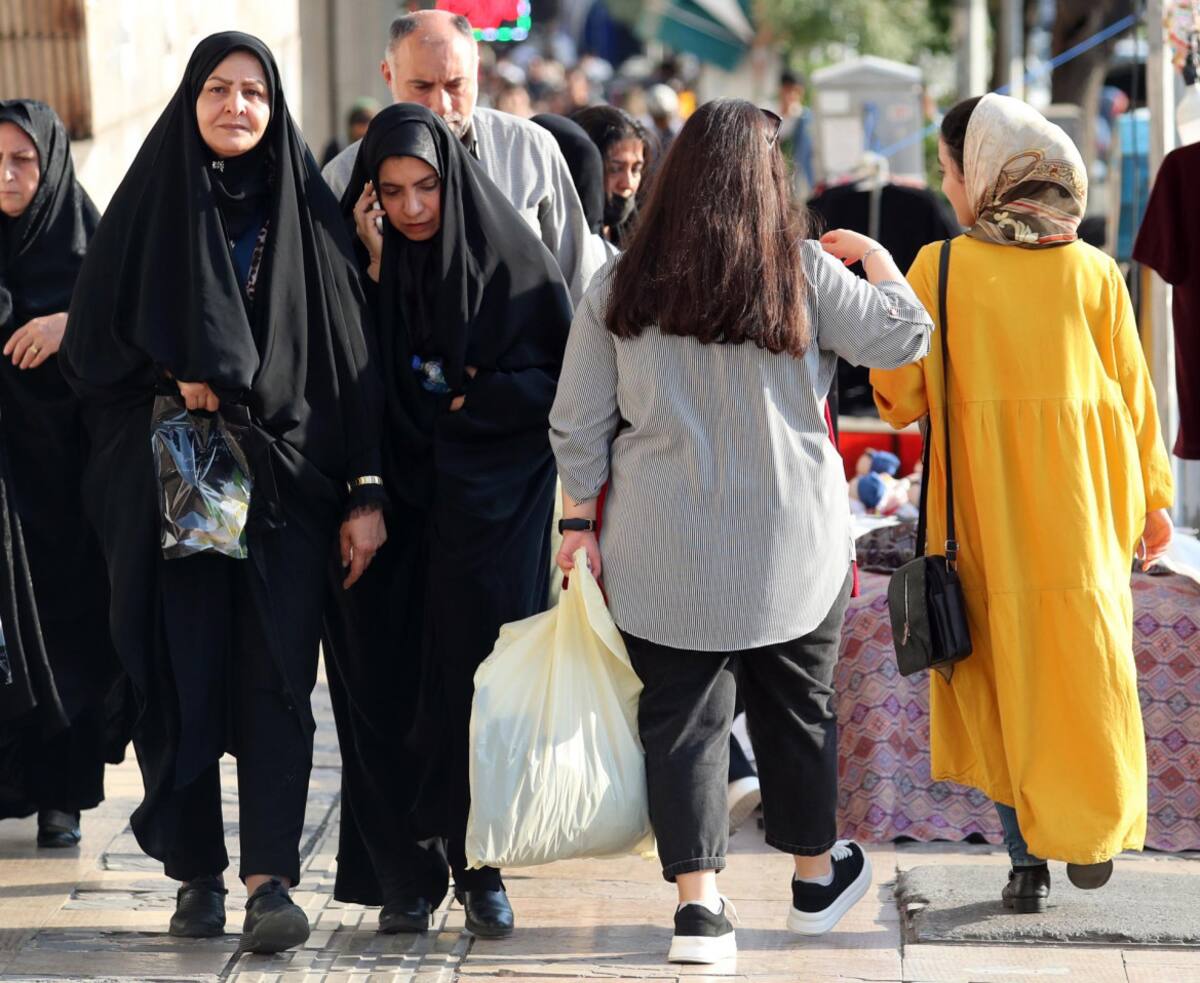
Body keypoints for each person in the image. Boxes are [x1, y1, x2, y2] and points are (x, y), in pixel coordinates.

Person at [549, 99, 933, 965]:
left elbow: (576, 420)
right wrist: (874, 257)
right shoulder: (800, 272)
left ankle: (699, 909)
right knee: (800, 711)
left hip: (662, 546)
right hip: (791, 544)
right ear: (770, 180)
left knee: (680, 721)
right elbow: (907, 338)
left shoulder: (620, 283)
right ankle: (810, 880)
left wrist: (579, 518)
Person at [61, 32, 386, 955]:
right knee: (181, 675)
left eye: (254, 92)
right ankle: (198, 874)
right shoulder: (149, 206)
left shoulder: (308, 211)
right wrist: (174, 367)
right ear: (191, 100)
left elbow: (349, 366)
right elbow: (91, 351)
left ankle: (268, 881)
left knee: (279, 682)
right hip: (174, 485)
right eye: (218, 89)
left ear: (275, 107)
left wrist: (365, 493)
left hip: (285, 489)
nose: (237, 107)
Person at [872, 94, 1175, 914]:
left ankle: (1026, 861)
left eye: (950, 170)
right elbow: (1137, 397)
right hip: (1084, 518)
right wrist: (1154, 499)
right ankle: (1089, 827)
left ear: (988, 174)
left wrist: (876, 277)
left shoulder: (939, 267)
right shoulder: (1096, 271)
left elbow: (900, 399)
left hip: (985, 522)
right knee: (1084, 670)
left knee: (1002, 679)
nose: (948, 186)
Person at [322, 104, 572, 940]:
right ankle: (403, 873)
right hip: (385, 509)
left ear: (452, 180)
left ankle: (479, 866)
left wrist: (476, 401)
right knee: (382, 684)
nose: (413, 207)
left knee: (473, 693)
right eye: (390, 191)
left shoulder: (511, 260)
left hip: (483, 512)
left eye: (427, 186)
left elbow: (553, 377)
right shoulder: (354, 264)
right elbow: (353, 380)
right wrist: (375, 273)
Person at [0, 99, 121, 849]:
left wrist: (69, 325)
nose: (8, 175)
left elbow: (135, 330)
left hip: (70, 492)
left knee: (68, 635)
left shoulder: (90, 249)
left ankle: (64, 793)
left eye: (23, 161)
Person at [321, 10, 598, 303]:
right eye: (422, 86)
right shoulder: (343, 177)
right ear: (389, 75)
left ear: (476, 72)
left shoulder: (529, 151)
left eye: (455, 85)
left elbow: (580, 287)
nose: (440, 105)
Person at [571, 104, 653, 249]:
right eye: (615, 169)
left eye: (636, 169)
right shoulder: (563, 245)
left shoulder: (642, 239)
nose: (628, 183)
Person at [320, 98, 380, 168]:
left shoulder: (381, 147)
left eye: (368, 121)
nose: (363, 127)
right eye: (359, 120)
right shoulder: (336, 147)